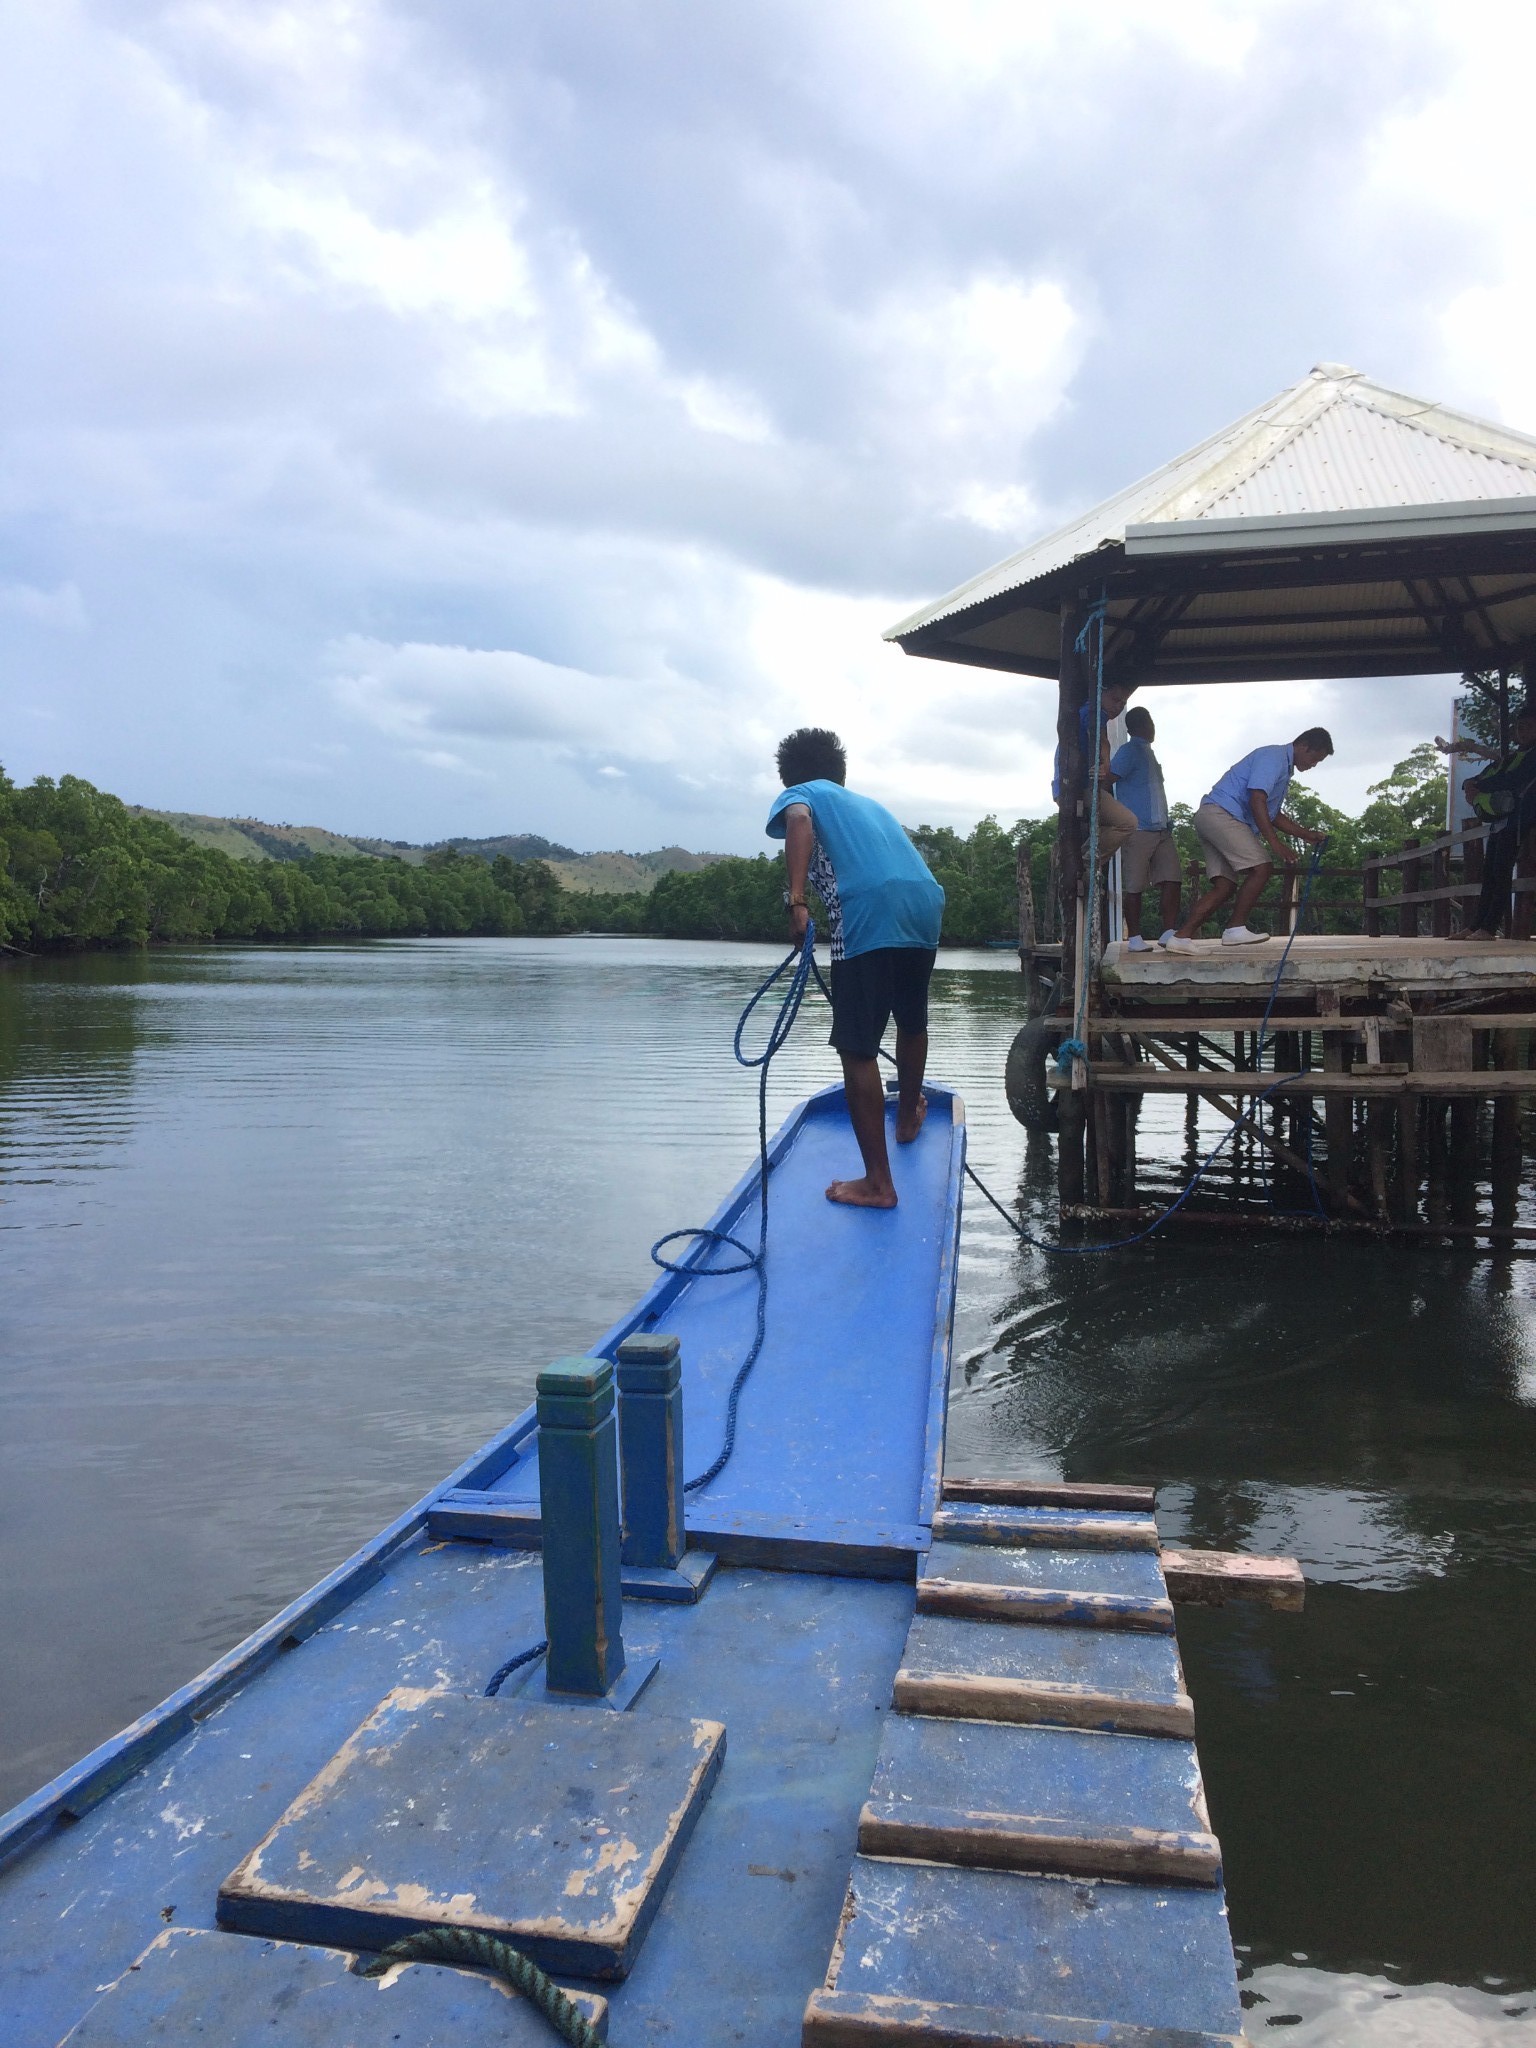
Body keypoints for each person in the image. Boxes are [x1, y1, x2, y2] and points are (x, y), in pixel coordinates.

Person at [767, 727, 945, 1209]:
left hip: (868, 909)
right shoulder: (868, 805)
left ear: (789, 774)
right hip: (924, 900)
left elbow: (799, 821)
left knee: (856, 1047)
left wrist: (798, 902)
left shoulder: (801, 794)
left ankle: (878, 1184)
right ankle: (908, 1118)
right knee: (912, 1018)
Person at [1162, 728, 1334, 951]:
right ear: (1303, 746)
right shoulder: (1274, 758)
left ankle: (1181, 937)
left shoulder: (1283, 766)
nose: (1313, 765)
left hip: (1212, 815)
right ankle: (1235, 929)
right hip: (1222, 814)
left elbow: (1273, 814)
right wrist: (1275, 844)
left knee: (1225, 886)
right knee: (1261, 867)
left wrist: (1306, 834)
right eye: (1314, 758)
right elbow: (1257, 799)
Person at [1451, 703, 1536, 939]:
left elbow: (1514, 778)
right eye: (1520, 727)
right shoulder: (1513, 756)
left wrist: (1480, 787)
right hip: (1502, 819)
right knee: (1489, 873)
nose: (1523, 732)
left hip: (1520, 817)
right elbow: (1491, 773)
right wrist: (1469, 784)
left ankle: (1488, 927)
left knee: (1501, 871)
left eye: (1529, 727)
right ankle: (1477, 924)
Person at [1110, 704, 1181, 951]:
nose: (1153, 728)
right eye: (1150, 723)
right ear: (1140, 726)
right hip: (1139, 829)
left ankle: (1168, 932)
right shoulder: (1128, 751)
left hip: (1162, 828)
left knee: (1172, 878)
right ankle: (1135, 938)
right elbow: (1110, 777)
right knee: (1135, 885)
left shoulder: (1149, 753)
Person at [1053, 681, 1138, 873]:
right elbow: (1101, 740)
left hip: (1067, 786)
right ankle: (1085, 862)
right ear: (1100, 694)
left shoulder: (1084, 712)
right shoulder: (1093, 712)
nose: (1118, 706)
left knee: (1113, 823)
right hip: (1077, 787)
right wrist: (1106, 763)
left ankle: (1078, 859)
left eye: (1123, 703)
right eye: (1115, 700)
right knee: (1127, 822)